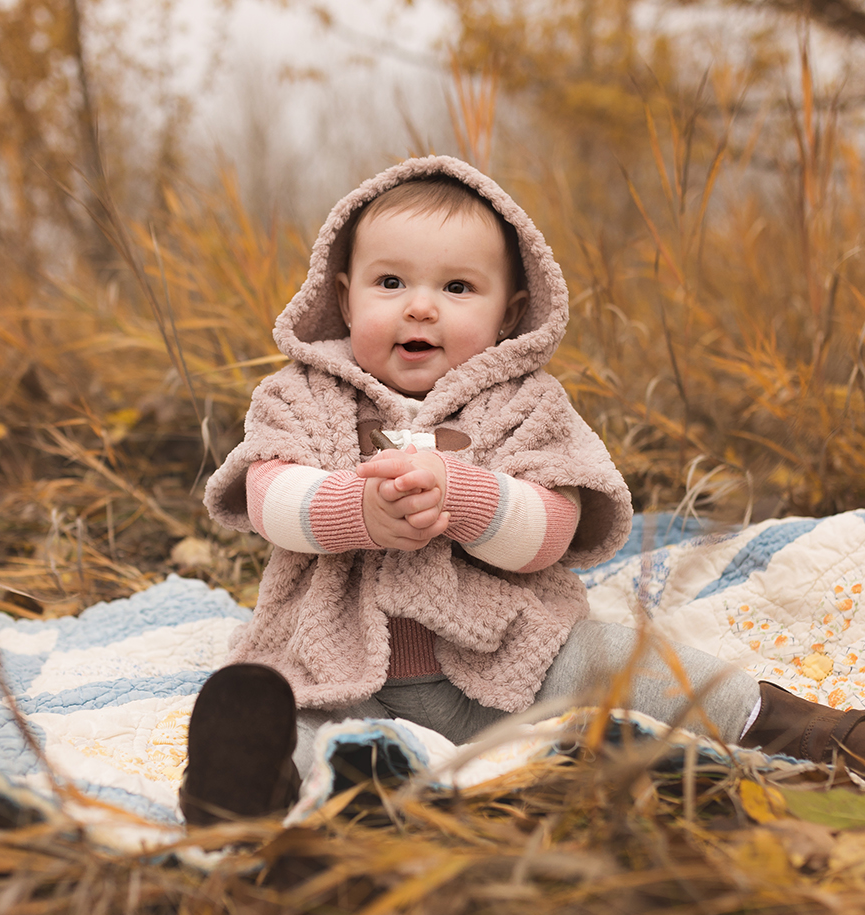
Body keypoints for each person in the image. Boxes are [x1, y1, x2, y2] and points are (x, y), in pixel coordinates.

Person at [180, 156, 865, 824]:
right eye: (390, 282)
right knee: (280, 708)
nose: (420, 307)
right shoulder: (298, 395)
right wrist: (354, 509)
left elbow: (554, 528)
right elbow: (268, 494)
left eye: (457, 288)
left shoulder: (525, 405)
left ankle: (796, 728)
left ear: (509, 314)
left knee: (619, 659)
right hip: (340, 674)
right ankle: (245, 787)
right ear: (341, 296)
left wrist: (467, 499)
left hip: (516, 662)